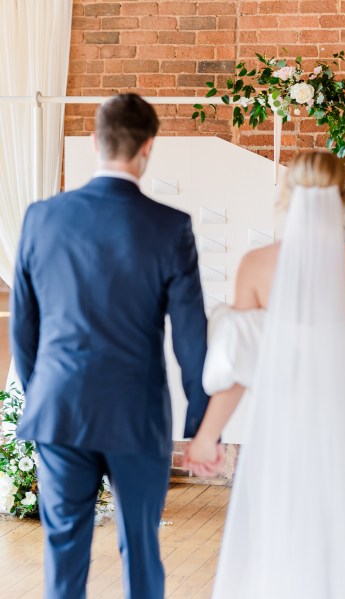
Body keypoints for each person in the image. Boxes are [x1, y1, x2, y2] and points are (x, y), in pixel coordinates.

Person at [10, 93, 209, 599]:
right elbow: (191, 335)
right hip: (136, 414)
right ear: (148, 147)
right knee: (140, 547)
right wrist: (202, 426)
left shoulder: (39, 218)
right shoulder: (170, 227)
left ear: (96, 142)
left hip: (60, 410)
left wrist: (42, 392)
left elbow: (23, 329)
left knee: (64, 550)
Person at [184, 150, 345, 599]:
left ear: (288, 196)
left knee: (276, 528)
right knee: (338, 531)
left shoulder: (257, 266)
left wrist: (208, 435)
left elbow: (239, 367)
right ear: (343, 197)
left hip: (279, 419)